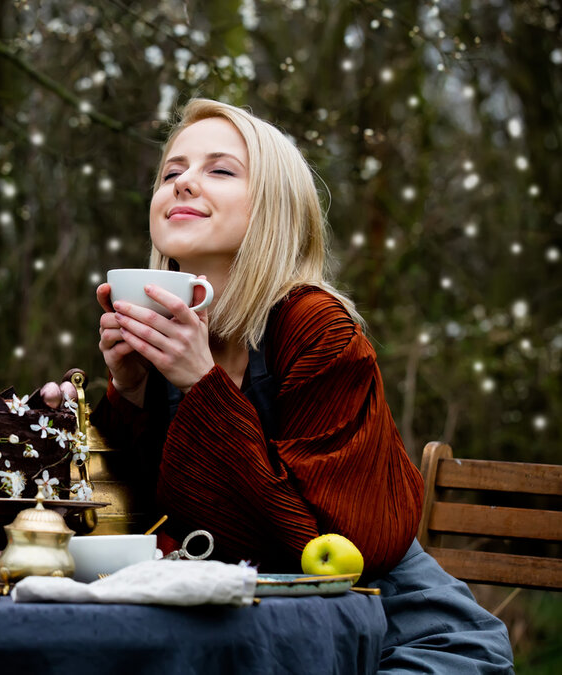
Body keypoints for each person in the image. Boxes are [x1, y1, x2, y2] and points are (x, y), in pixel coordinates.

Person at [87, 98, 513, 672]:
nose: (184, 182)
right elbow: (136, 529)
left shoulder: (317, 329)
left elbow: (330, 552)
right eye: (172, 171)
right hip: (247, 636)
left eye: (219, 169)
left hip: (396, 638)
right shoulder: (166, 340)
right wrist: (129, 395)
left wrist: (201, 385)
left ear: (274, 208)